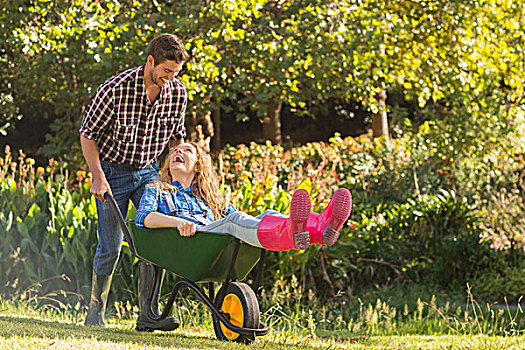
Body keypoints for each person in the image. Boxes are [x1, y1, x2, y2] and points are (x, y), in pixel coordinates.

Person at [79, 33, 189, 331]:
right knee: (111, 247)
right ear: (150, 61)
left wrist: (178, 173)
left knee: (158, 238)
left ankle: (148, 315)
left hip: (148, 172)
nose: (171, 78)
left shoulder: (177, 93)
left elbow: (177, 137)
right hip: (112, 173)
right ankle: (95, 311)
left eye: (176, 73)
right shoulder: (115, 90)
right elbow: (88, 134)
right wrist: (98, 176)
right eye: (166, 71)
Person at [135, 142, 353, 253]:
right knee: (233, 220)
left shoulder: (206, 196)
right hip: (192, 243)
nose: (177, 153)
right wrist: (179, 222)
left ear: (198, 165)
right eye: (174, 151)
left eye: (186, 151)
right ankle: (290, 232)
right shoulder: (157, 189)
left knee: (267, 214)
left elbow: (243, 217)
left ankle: (319, 230)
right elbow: (144, 217)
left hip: (212, 240)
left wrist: (263, 219)